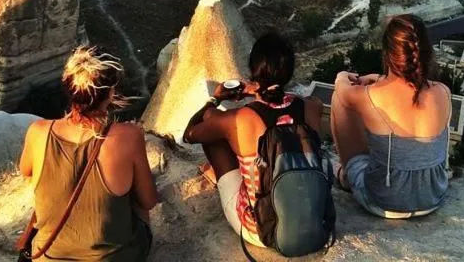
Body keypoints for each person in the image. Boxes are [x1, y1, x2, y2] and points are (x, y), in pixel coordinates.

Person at [182, 32, 325, 249]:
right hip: (313, 221)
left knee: (214, 130)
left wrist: (216, 98)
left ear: (253, 72)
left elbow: (190, 133)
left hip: (261, 229)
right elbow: (295, 104)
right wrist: (262, 92)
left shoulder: (241, 119)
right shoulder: (311, 107)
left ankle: (218, 176)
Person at [19, 47, 158, 260]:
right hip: (112, 258)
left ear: (68, 88)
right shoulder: (129, 136)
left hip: (48, 257)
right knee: (134, 191)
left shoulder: (38, 132)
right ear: (111, 92)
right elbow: (148, 201)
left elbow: (26, 171)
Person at [330, 14, 452, 219]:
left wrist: (342, 76)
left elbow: (342, 90)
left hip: (383, 201)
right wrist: (378, 79)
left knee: (338, 99)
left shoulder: (368, 96)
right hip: (433, 197)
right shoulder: (443, 92)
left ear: (388, 54)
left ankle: (346, 178)